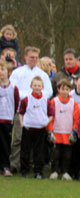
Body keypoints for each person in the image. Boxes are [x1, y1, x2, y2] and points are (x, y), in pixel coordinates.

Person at [9, 46, 53, 174]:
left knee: (37, 142)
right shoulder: (17, 73)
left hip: (38, 113)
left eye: (36, 57)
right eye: (31, 57)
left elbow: (48, 92)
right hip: (21, 111)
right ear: (25, 57)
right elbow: (14, 89)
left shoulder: (42, 74)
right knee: (18, 138)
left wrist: (37, 96)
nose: (34, 59)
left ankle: (35, 167)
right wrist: (29, 95)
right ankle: (15, 165)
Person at [19, 76, 55, 179]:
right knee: (25, 150)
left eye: (39, 86)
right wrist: (22, 124)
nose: (37, 87)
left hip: (40, 129)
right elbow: (21, 113)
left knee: (39, 151)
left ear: (42, 87)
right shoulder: (26, 99)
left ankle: (38, 171)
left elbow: (51, 114)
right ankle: (25, 171)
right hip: (28, 128)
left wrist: (45, 123)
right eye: (35, 85)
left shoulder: (46, 100)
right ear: (31, 86)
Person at [47, 79, 80, 181]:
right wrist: (50, 131)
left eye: (67, 89)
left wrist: (74, 131)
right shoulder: (54, 101)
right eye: (62, 89)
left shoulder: (73, 103)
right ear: (58, 90)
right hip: (56, 132)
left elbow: (76, 118)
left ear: (70, 90)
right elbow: (50, 117)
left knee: (67, 154)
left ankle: (65, 172)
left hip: (68, 133)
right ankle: (54, 171)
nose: (64, 91)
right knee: (55, 154)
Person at [0, 60, 20, 176]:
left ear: (8, 72)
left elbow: (16, 102)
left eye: (2, 70)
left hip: (7, 119)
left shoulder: (13, 87)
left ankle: (5, 166)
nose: (0, 72)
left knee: (6, 144)